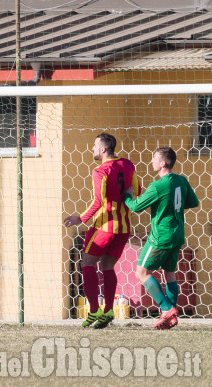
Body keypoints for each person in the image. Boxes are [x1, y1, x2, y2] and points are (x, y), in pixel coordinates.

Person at [64, 133, 140, 329]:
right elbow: (137, 191)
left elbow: (98, 201)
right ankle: (108, 311)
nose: (92, 149)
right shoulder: (128, 165)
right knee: (107, 266)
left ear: (103, 149)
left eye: (94, 145)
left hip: (104, 227)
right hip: (123, 228)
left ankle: (95, 310)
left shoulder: (100, 171)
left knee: (87, 264)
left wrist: (79, 218)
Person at [123, 147, 199, 330]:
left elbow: (135, 206)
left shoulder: (157, 186)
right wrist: (173, 206)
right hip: (177, 234)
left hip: (160, 236)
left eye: (154, 158)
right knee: (169, 274)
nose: (151, 161)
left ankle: (166, 309)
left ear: (163, 163)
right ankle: (170, 317)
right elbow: (194, 202)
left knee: (141, 273)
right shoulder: (181, 180)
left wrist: (127, 195)